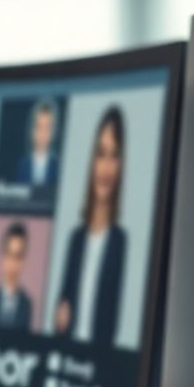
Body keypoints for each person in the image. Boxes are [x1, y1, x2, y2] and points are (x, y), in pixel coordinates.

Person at [53, 107, 128, 347]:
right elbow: (63, 304)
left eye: (114, 156)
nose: (106, 167)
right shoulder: (76, 239)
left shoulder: (119, 241)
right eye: (101, 154)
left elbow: (114, 321)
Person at [0, 222, 34, 331]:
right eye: (8, 254)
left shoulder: (26, 304)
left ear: (23, 261)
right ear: (2, 258)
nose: (12, 263)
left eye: (18, 257)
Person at [14, 99, 59, 190]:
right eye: (39, 127)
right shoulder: (21, 166)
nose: (43, 134)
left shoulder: (58, 167)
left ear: (53, 132)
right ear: (32, 131)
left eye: (47, 128)